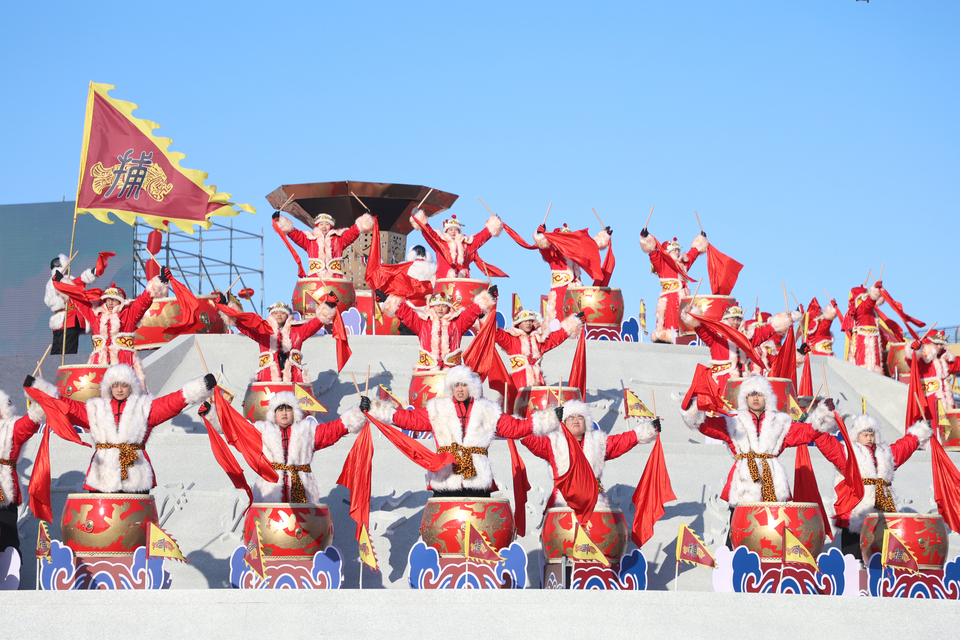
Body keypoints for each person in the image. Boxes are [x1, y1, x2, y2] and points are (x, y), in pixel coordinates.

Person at [370, 365, 560, 496]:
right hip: (446, 475)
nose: (460, 389)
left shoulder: (488, 410)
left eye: (464, 384)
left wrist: (551, 417)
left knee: (479, 526)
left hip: (476, 476)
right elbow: (407, 419)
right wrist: (375, 408)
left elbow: (517, 428)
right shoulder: (437, 408)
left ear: (472, 387)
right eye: (456, 385)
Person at [33, 364, 213, 493]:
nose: (119, 389)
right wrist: (39, 388)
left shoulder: (144, 406)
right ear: (108, 387)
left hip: (135, 471)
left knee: (136, 524)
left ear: (131, 386)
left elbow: (172, 402)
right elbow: (66, 405)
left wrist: (200, 387)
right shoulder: (95, 408)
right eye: (115, 385)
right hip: (103, 472)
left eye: (124, 385)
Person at [679, 375, 837, 508]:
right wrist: (692, 409)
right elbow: (706, 426)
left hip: (772, 480)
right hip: (743, 481)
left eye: (759, 394)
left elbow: (808, 432)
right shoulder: (733, 421)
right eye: (751, 394)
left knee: (773, 527)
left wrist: (823, 414)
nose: (755, 398)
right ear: (744, 398)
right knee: (740, 529)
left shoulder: (781, 422)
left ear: (767, 398)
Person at [202, 391, 367, 503]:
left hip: (302, 489)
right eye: (280, 409)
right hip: (269, 490)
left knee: (303, 536)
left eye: (288, 408)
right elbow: (235, 429)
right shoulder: (261, 430)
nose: (284, 413)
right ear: (273, 413)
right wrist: (212, 414)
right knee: (268, 537)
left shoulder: (307, 430)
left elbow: (334, 429)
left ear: (295, 411)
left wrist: (358, 412)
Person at [818, 414, 932, 558]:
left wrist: (920, 432)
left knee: (879, 552)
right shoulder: (847, 452)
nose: (869, 438)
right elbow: (829, 445)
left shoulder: (885, 453)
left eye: (871, 434)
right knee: (853, 554)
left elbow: (904, 447)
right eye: (865, 435)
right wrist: (818, 425)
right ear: (857, 436)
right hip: (856, 506)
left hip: (881, 507)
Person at [521, 400, 659, 510]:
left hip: (594, 503)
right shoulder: (553, 443)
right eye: (571, 417)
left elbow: (622, 441)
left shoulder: (598, 442)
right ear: (563, 423)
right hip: (562, 502)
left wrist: (648, 429)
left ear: (586, 422)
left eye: (580, 417)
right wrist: (544, 420)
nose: (575, 420)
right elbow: (528, 436)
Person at [52, 269, 170, 390]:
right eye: (107, 299)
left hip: (123, 360)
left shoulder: (129, 313)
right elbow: (78, 300)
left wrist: (158, 282)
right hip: (99, 362)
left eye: (113, 300)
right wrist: (62, 284)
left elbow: (144, 299)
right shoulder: (96, 315)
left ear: (120, 301)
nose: (110, 303)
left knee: (126, 392)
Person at [377, 287, 496, 372]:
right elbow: (406, 313)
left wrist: (487, 297)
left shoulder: (457, 322)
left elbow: (471, 312)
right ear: (433, 306)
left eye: (444, 306)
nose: (440, 309)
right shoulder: (422, 322)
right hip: (427, 371)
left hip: (452, 372)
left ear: (448, 308)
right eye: (438, 305)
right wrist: (387, 299)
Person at [217, 298, 336, 382]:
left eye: (282, 313)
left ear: (287, 315)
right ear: (270, 315)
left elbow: (314, 324)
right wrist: (225, 308)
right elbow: (242, 323)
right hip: (267, 379)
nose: (279, 315)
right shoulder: (262, 331)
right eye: (275, 312)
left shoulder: (297, 331)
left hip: (294, 378)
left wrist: (328, 306)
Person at [1, 378, 57, 556]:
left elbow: (34, 417)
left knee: (7, 540)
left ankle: (10, 579)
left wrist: (39, 389)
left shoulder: (12, 427)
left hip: (4, 492)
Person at [682, 303, 798, 389]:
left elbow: (766, 330)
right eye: (734, 319)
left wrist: (787, 318)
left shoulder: (746, 337)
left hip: (744, 382)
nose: (736, 322)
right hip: (722, 381)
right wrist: (691, 314)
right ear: (726, 320)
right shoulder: (716, 337)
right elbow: (701, 328)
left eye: (738, 319)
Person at [639, 230, 708, 343]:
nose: (677, 252)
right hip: (669, 299)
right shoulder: (662, 264)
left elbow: (693, 253)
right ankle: (666, 338)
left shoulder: (682, 264)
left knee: (683, 320)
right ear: (668, 252)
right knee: (668, 320)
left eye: (678, 250)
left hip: (683, 299)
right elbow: (653, 254)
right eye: (674, 250)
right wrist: (646, 238)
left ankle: (683, 336)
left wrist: (701, 239)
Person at [534, 223, 611, 322]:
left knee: (580, 321)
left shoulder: (576, 252)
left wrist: (604, 235)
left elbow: (590, 246)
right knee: (559, 320)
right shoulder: (553, 254)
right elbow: (543, 248)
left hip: (578, 292)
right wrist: (541, 235)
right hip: (560, 291)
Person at [494, 308, 583, 390]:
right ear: (519, 324)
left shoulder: (538, 340)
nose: (528, 323)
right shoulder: (511, 340)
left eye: (530, 320)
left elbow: (557, 337)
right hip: (518, 385)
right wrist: (483, 315)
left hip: (538, 384)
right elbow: (495, 333)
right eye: (525, 321)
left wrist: (575, 322)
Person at [273, 211, 375, 280]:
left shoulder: (339, 239)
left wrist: (365, 220)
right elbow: (295, 234)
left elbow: (353, 232)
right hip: (316, 277)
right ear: (317, 225)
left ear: (331, 226)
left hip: (336, 277)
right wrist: (280, 221)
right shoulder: (310, 240)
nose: (324, 227)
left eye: (327, 224)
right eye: (321, 224)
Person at [410, 209, 502, 279]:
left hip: (462, 284)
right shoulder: (440, 242)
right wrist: (419, 219)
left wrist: (493, 225)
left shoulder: (467, 245)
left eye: (456, 229)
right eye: (451, 229)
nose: (453, 232)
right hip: (443, 284)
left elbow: (480, 237)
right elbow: (429, 233)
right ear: (446, 231)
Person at [45, 254, 97, 355]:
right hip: (68, 318)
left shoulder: (64, 280)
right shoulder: (56, 282)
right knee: (65, 349)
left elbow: (79, 281)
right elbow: (77, 284)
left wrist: (91, 274)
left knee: (61, 347)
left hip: (67, 318)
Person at [906, 330, 960, 417]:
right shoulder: (922, 360)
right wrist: (913, 350)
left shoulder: (946, 360)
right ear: (928, 343)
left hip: (947, 408)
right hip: (928, 406)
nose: (939, 346)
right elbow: (912, 361)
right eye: (936, 343)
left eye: (941, 344)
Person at [843, 281, 884, 374]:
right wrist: (875, 290)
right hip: (865, 340)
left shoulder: (866, 310)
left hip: (869, 339)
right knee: (866, 367)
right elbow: (870, 302)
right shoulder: (862, 308)